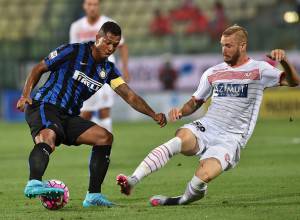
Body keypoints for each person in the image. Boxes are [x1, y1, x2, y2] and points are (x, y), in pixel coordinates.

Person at [116, 25, 300, 206]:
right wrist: (181, 111)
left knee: (202, 178)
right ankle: (133, 180)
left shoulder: (259, 70)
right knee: (179, 140)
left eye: (228, 46)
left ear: (242, 46)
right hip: (208, 126)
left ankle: (181, 199)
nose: (223, 50)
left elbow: (293, 81)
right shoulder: (213, 72)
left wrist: (284, 61)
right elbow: (196, 101)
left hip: (231, 138)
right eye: (222, 45)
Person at [16, 21, 167, 208]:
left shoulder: (108, 70)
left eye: (115, 45)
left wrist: (152, 114)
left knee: (104, 137)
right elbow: (39, 68)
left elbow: (129, 95)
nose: (111, 48)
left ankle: (93, 195)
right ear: (97, 38)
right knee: (48, 136)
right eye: (107, 42)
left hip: (68, 116)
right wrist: (25, 94)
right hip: (45, 105)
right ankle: (34, 183)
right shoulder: (72, 51)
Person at [69, 0, 130, 132]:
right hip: (85, 73)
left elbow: (122, 46)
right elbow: (74, 51)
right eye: (89, 4)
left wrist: (125, 69)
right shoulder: (76, 26)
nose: (92, 7)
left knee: (104, 110)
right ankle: (98, 135)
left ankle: (106, 144)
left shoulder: (109, 24)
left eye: (95, 4)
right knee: (86, 114)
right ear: (84, 6)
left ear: (99, 6)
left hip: (105, 71)